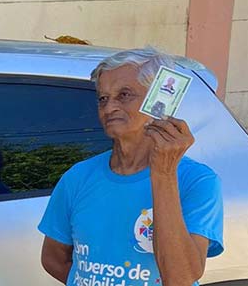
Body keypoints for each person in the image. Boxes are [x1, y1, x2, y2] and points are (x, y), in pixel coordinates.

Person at [38, 48, 223, 286]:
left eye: (124, 95)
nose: (109, 107)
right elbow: (53, 258)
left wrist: (163, 173)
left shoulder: (197, 181)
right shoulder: (78, 177)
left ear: (159, 102)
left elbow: (181, 279)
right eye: (103, 98)